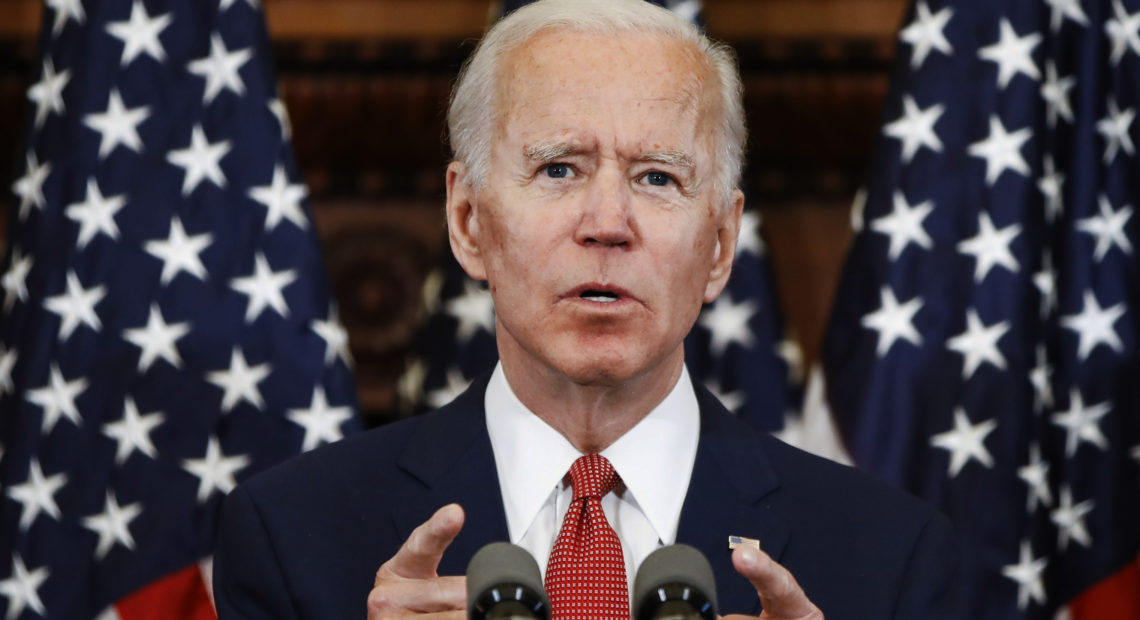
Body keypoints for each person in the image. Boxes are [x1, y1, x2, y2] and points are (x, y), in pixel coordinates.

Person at [212, 1, 961, 618]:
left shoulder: (891, 560)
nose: (608, 222)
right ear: (469, 222)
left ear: (721, 243)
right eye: (559, 168)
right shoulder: (292, 538)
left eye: (658, 178)